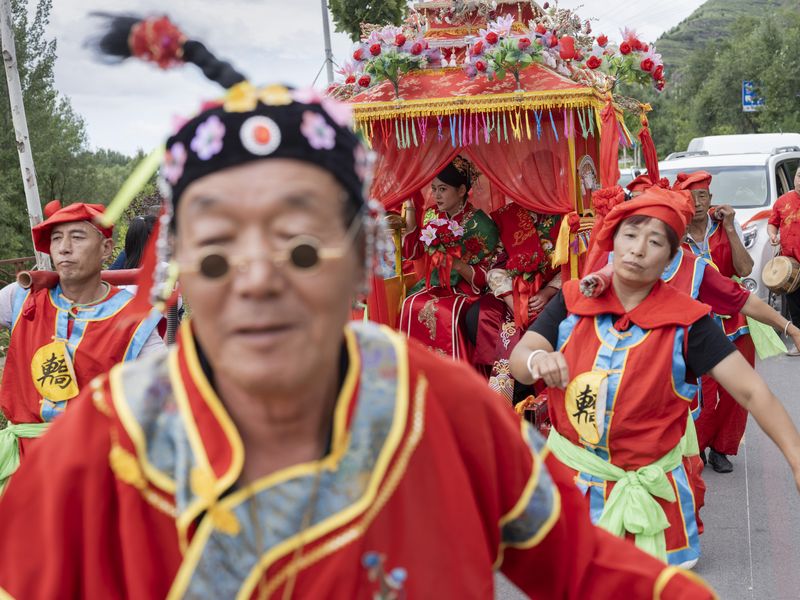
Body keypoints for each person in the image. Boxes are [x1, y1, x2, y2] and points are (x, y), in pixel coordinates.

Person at [0, 15, 717, 598]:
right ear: (176, 272)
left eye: (303, 248)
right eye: (218, 251)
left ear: (359, 263)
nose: (259, 281)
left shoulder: (446, 409)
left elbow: (582, 568)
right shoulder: (96, 450)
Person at [509, 187, 800, 569]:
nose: (638, 249)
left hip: (649, 496)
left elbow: (752, 391)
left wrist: (795, 458)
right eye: (630, 234)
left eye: (654, 240)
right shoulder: (573, 300)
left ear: (670, 257)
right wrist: (538, 362)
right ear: (612, 240)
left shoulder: (688, 322)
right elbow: (520, 356)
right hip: (571, 485)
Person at [0, 201, 164, 490]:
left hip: (92, 472)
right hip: (22, 464)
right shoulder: (21, 298)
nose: (64, 248)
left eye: (77, 237)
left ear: (106, 248)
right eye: (56, 239)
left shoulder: (134, 321)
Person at [674, 171, 755, 473]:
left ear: (711, 198)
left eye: (702, 196)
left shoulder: (722, 227)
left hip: (735, 320)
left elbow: (745, 269)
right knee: (703, 392)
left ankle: (722, 448)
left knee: (739, 389)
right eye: (690, 196)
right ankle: (697, 447)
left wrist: (731, 227)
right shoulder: (673, 234)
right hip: (696, 323)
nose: (696, 203)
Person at [398, 157, 499, 360]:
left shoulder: (481, 224)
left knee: (446, 312)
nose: (436, 195)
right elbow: (413, 252)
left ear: (461, 191)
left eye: (442, 189)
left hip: (465, 290)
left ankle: (454, 377)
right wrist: (409, 205)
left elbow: (486, 275)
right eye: (434, 189)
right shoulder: (432, 215)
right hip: (435, 284)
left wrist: (455, 264)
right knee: (409, 304)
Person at [465, 203, 562, 403]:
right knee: (477, 315)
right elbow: (495, 265)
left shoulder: (564, 218)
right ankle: (512, 391)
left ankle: (529, 394)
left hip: (550, 295)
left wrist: (547, 292)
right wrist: (513, 301)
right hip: (509, 294)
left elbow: (571, 266)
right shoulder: (509, 216)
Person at [768, 165, 800, 351]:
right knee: (795, 305)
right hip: (790, 264)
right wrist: (772, 235)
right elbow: (772, 224)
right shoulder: (783, 202)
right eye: (798, 176)